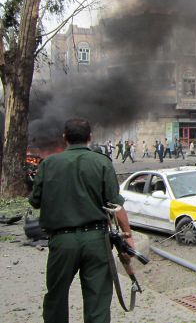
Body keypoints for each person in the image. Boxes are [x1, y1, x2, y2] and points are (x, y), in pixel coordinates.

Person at [29, 118, 135, 323]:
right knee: (98, 299)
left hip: (62, 241)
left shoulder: (48, 164)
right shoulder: (102, 162)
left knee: (56, 297)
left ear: (65, 138)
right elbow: (116, 205)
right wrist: (128, 236)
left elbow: (35, 202)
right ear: (90, 137)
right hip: (96, 241)